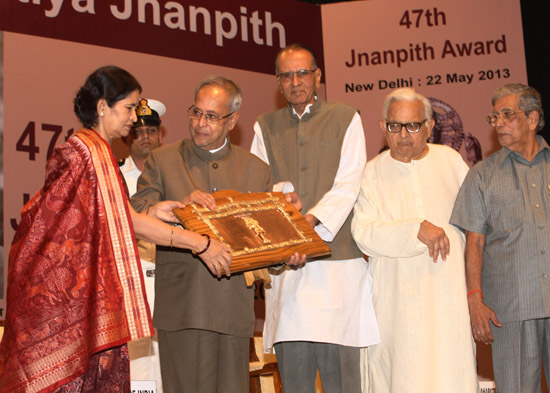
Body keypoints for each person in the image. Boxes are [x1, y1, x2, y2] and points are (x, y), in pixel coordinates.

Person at [0, 66, 231, 393]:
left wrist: (153, 211)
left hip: (73, 300)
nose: (135, 119)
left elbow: (108, 218)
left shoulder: (90, 148)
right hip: (61, 301)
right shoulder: (92, 152)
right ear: (102, 107)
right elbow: (125, 222)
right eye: (128, 108)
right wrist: (199, 243)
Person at [130, 76, 275, 393]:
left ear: (233, 119)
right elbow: (136, 214)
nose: (200, 123)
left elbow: (267, 248)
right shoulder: (163, 160)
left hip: (233, 311)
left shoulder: (256, 170)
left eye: (211, 116)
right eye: (195, 112)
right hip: (184, 306)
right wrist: (181, 209)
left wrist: (287, 247)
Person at [250, 43, 380, 393]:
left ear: (318, 76)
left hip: (338, 264)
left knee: (343, 381)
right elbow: (259, 187)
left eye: (303, 73)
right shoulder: (265, 126)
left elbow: (350, 181)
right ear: (278, 81)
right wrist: (285, 210)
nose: (296, 82)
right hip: (288, 272)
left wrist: (312, 224)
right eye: (287, 75)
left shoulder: (346, 116)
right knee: (295, 379)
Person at [351, 87, 479, 392]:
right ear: (383, 127)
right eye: (394, 126)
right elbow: (363, 233)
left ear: (430, 127)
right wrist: (414, 230)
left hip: (449, 304)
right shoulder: (370, 173)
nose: (403, 135)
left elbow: (475, 229)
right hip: (397, 309)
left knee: (452, 375)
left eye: (412, 126)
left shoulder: (452, 163)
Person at [450, 83, 550, 393]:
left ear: (533, 119)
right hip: (511, 309)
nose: (499, 123)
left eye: (508, 114)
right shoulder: (481, 175)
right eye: (495, 117)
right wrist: (475, 299)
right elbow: (474, 243)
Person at [120, 98, 165, 391]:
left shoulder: (175, 177)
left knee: (166, 369)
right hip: (129, 281)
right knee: (134, 368)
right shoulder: (115, 175)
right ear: (127, 136)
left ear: (161, 135)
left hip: (167, 280)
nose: (145, 136)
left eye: (151, 130)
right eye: (138, 130)